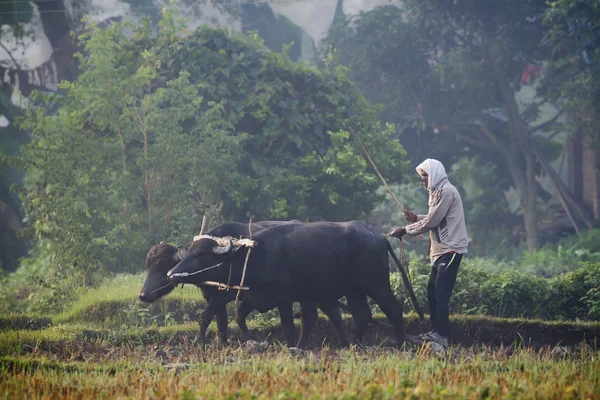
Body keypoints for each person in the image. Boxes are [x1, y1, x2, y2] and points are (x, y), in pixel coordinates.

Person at [389, 158, 468, 348]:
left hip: (451, 249)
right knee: (432, 290)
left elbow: (432, 221)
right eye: (422, 177)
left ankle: (443, 334)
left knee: (440, 291)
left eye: (426, 176)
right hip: (439, 251)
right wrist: (416, 218)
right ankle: (435, 332)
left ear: (435, 175)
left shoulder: (446, 191)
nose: (423, 180)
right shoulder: (436, 192)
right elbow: (436, 218)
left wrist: (406, 229)